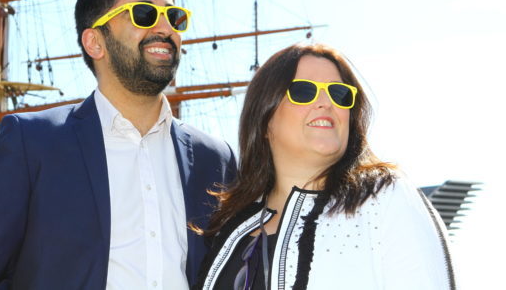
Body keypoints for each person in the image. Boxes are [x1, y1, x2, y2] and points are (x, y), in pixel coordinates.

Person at [0, 0, 236, 290]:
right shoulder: (31, 144)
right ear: (94, 42)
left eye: (173, 16)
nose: (165, 28)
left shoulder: (215, 159)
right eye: (143, 14)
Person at [194, 43, 455, 290]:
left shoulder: (384, 199)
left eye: (340, 94)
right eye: (304, 91)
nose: (325, 102)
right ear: (264, 118)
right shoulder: (232, 226)